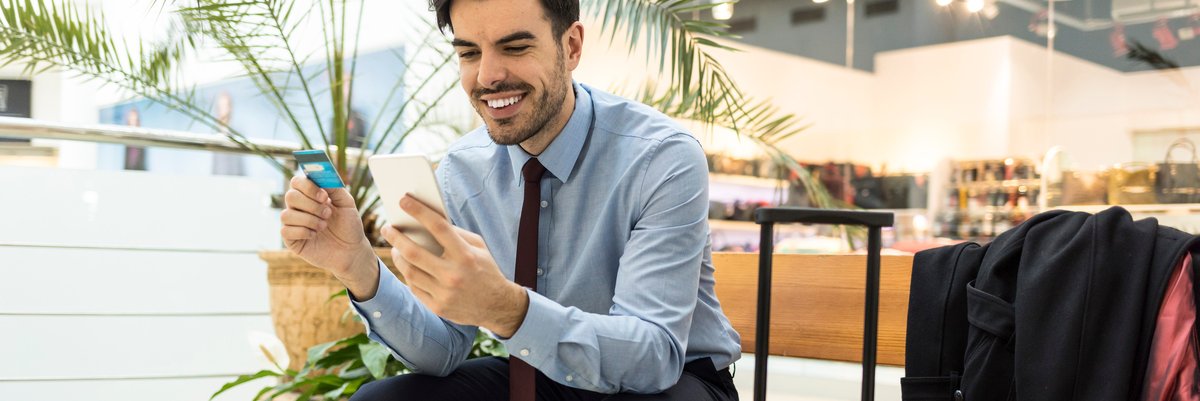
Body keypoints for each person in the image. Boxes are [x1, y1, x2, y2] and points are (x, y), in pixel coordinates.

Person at [279, 0, 741, 399]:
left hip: (673, 382)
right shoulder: (463, 169)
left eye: (515, 47)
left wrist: (508, 310)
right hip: (543, 374)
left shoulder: (661, 158)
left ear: (572, 46)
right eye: (469, 52)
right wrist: (357, 266)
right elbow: (444, 349)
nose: (488, 76)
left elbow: (653, 357)